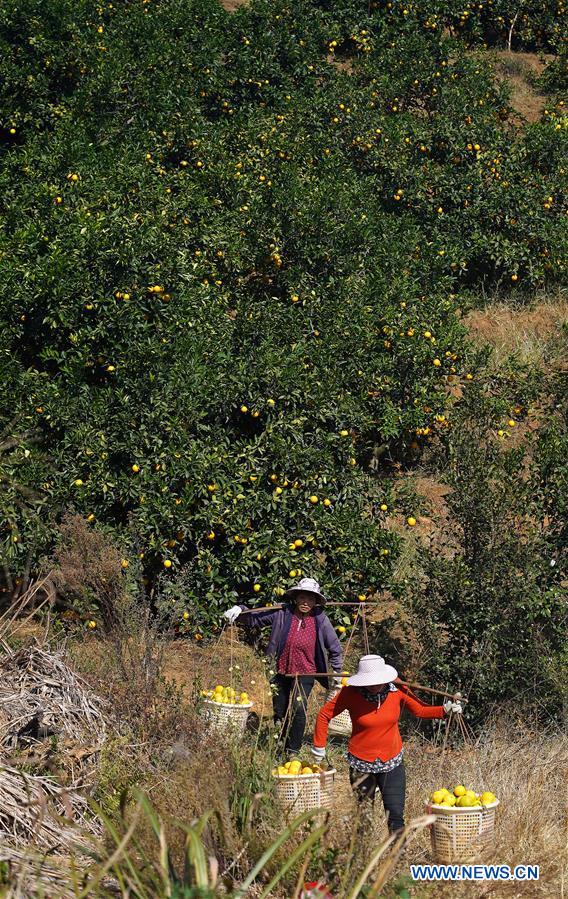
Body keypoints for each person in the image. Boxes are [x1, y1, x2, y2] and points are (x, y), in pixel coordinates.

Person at [311, 654, 463, 834]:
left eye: (377, 681)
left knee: (395, 818)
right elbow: (324, 715)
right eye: (369, 681)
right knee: (363, 817)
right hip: (361, 764)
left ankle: (397, 859)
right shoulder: (350, 693)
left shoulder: (397, 689)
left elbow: (420, 709)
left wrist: (445, 710)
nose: (374, 685)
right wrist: (319, 745)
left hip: (392, 762)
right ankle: (363, 858)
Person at [223, 577, 343, 757]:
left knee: (298, 708)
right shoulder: (282, 612)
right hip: (279, 669)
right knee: (280, 709)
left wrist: (337, 672)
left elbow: (335, 648)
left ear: (316, 602)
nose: (305, 602)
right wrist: (240, 610)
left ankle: (293, 749)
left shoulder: (320, 620)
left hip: (306, 672)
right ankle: (280, 744)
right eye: (302, 597)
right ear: (296, 598)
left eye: (310, 599)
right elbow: (256, 619)